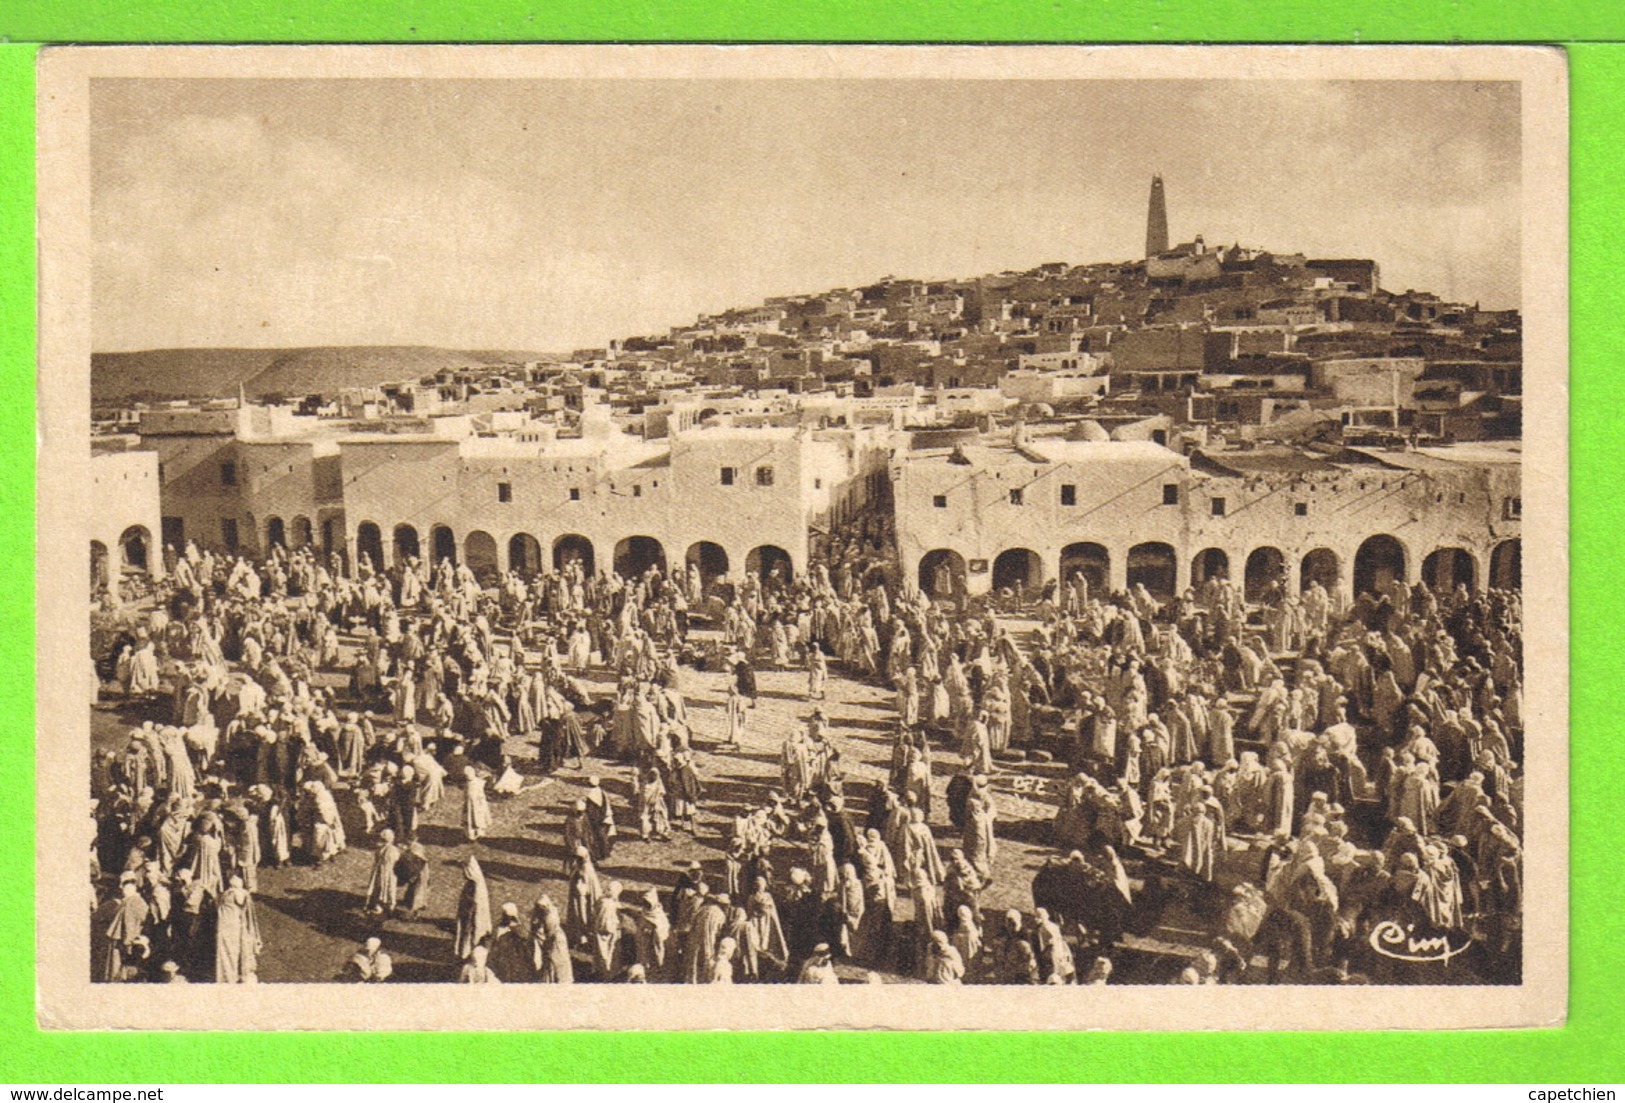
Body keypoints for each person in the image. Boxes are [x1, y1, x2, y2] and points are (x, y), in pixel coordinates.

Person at [215, 874, 262, 984]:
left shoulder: (225, 895)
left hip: (224, 927)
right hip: (237, 925)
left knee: (227, 953)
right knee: (240, 950)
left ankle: (228, 977)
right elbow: (247, 911)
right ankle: (241, 974)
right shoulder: (243, 894)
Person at [454, 856, 493, 961]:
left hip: (471, 918)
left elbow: (475, 906)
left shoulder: (477, 887)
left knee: (471, 937)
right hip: (467, 915)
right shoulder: (472, 884)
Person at [365, 829, 401, 915]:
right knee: (389, 887)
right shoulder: (393, 850)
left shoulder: (380, 849)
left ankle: (382, 903)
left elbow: (377, 858)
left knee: (380, 886)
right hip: (390, 871)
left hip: (381, 870)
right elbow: (397, 861)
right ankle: (389, 904)